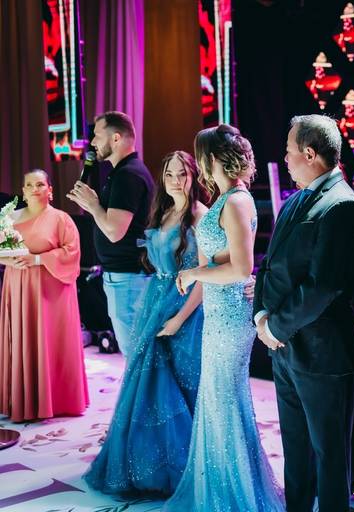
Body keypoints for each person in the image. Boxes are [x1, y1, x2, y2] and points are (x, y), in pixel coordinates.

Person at [164, 124, 283, 511]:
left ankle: (235, 496)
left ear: (211, 158)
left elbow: (241, 268)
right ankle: (221, 489)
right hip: (218, 313)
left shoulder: (235, 202)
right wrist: (203, 268)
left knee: (225, 400)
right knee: (217, 400)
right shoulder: (227, 198)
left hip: (231, 314)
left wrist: (193, 273)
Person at [254, 114, 354, 512]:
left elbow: (324, 286)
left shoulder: (342, 205)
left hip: (321, 352)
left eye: (289, 152)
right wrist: (260, 315)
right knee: (296, 450)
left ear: (310, 153)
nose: (284, 159)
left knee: (330, 455)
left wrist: (275, 326)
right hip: (286, 347)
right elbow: (269, 264)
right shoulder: (298, 197)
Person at [84, 151, 208, 496]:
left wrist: (179, 319)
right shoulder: (164, 211)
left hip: (185, 305)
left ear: (194, 176)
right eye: (169, 174)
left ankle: (186, 468)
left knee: (180, 385)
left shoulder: (200, 215)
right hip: (156, 298)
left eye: (182, 174)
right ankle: (149, 466)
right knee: (147, 383)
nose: (175, 181)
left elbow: (205, 276)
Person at [0, 170, 88, 422]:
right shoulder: (10, 218)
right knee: (23, 339)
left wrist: (37, 259)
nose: (35, 189)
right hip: (19, 286)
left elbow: (72, 253)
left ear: (50, 190)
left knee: (51, 340)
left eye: (40, 184)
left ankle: (58, 400)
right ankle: (23, 400)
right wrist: (8, 260)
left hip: (53, 291)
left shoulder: (61, 219)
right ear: (23, 191)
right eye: (29, 185)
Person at [67, 111, 154, 359]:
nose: (93, 142)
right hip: (125, 276)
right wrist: (93, 205)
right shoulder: (122, 172)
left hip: (128, 277)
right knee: (136, 353)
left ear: (115, 138)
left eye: (97, 135)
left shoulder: (128, 174)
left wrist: (93, 205)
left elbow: (115, 232)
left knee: (135, 355)